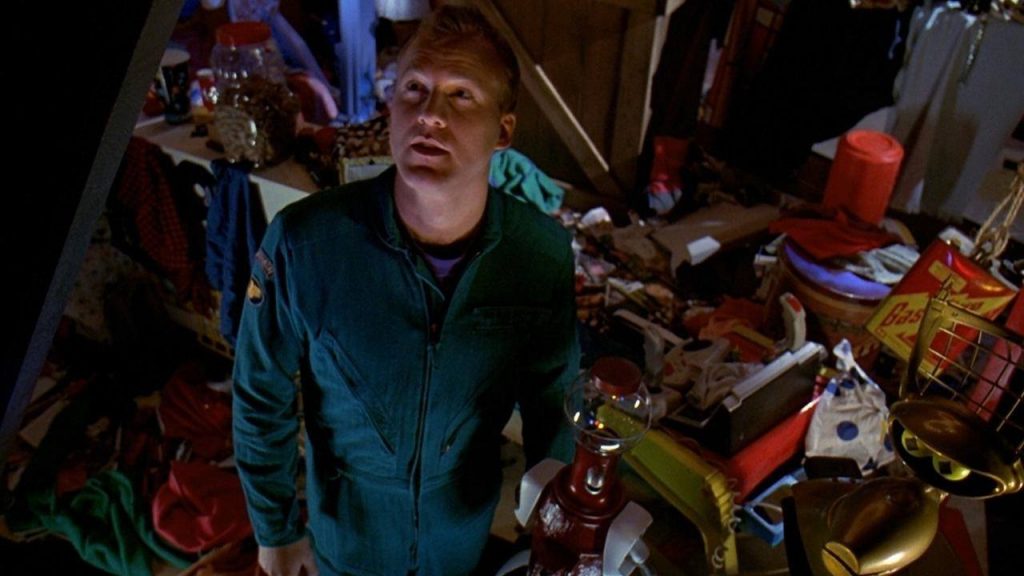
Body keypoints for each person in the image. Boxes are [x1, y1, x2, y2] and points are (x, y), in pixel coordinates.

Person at [232, 5, 580, 576]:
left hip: (459, 538)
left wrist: (552, 521)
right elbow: (259, 393)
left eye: (461, 95)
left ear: (504, 131)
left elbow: (555, 400)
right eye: (414, 88)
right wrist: (276, 531)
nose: (430, 114)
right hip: (348, 538)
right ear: (390, 106)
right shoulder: (307, 244)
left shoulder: (539, 256)